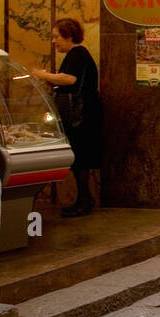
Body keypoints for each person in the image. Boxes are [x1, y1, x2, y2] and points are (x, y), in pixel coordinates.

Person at [31, 17, 102, 217]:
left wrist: (42, 75)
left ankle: (83, 199)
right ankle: (83, 198)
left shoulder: (77, 54)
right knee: (81, 158)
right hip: (84, 113)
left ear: (69, 36)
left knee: (80, 158)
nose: (54, 42)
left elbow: (69, 79)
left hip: (80, 114)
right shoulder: (78, 54)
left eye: (56, 37)